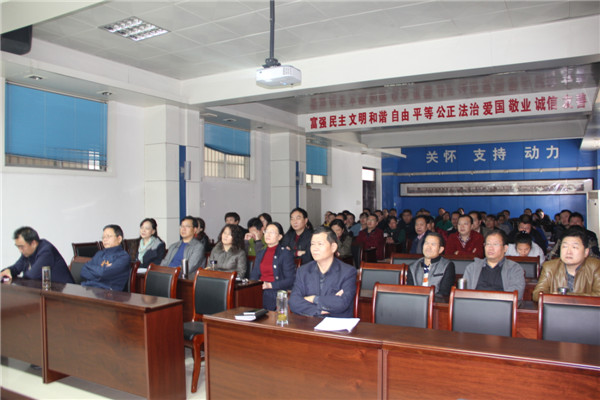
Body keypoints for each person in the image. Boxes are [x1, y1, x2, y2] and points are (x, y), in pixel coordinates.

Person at [289, 227, 357, 318]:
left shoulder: (348, 272)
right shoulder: (303, 271)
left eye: (320, 244)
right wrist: (318, 310)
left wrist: (313, 299)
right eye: (312, 244)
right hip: (310, 322)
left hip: (337, 323)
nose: (314, 248)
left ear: (333, 247)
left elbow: (341, 303)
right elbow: (293, 302)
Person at [533, 228, 600, 301]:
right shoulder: (549, 267)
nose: (568, 252)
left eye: (574, 247)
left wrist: (564, 296)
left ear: (586, 252)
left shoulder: (596, 267)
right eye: (565, 246)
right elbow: (537, 294)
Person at [463, 229, 526, 300]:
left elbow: (516, 294)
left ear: (505, 248)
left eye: (495, 244)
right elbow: (464, 294)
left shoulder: (514, 268)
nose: (490, 248)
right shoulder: (472, 268)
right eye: (488, 244)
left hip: (502, 306)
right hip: (475, 305)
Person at [1, 226, 74, 284]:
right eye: (18, 247)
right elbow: (16, 268)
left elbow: (32, 276)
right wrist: (8, 271)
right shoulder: (27, 253)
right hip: (47, 292)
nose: (20, 250)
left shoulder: (46, 251)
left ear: (33, 243)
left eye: (22, 247)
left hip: (65, 293)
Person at [249, 222, 296, 310]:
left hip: (275, 290)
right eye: (266, 231)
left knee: (266, 296)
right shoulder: (260, 253)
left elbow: (290, 279)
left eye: (272, 232)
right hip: (260, 288)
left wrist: (270, 285)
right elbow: (254, 275)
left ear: (279, 237)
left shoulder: (285, 254)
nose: (268, 234)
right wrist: (255, 285)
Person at [80, 224, 130, 291]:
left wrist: (95, 273)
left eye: (108, 236)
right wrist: (101, 273)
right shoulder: (99, 254)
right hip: (90, 288)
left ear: (119, 239)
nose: (105, 239)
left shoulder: (123, 257)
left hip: (109, 293)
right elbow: (83, 271)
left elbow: (104, 273)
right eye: (103, 237)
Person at [406, 232, 456, 296]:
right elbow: (409, 292)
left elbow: (444, 293)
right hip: (416, 301)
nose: (428, 247)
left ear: (440, 249)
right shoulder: (413, 267)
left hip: (436, 301)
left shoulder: (447, 266)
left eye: (433, 244)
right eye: (426, 243)